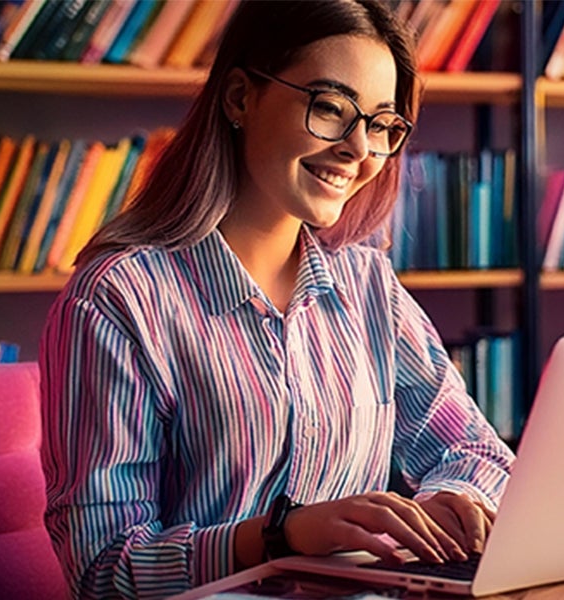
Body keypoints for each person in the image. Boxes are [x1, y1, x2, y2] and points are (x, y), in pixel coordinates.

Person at [39, 0, 515, 597]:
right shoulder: (117, 301)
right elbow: (102, 571)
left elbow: (476, 450)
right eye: (330, 108)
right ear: (240, 97)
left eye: (381, 124)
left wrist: (456, 498)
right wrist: (279, 536)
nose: (358, 149)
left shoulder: (368, 288)